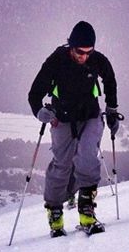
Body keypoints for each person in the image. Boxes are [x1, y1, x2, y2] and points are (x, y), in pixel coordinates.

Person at [27, 20, 120, 236]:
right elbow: (34, 93)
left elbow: (110, 80)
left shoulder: (98, 60)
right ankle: (54, 210)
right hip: (62, 118)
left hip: (90, 116)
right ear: (71, 45)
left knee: (87, 156)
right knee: (62, 164)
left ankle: (86, 210)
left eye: (89, 52)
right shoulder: (56, 61)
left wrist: (112, 109)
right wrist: (39, 111)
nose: (84, 56)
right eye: (80, 51)